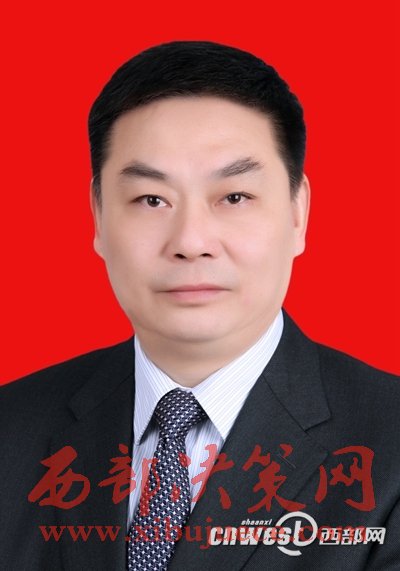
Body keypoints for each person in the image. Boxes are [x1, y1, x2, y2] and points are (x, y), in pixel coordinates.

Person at [0, 41, 399, 571]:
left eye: (234, 197)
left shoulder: (390, 444)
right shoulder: (11, 429)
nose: (191, 242)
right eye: (151, 200)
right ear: (98, 215)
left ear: (297, 213)